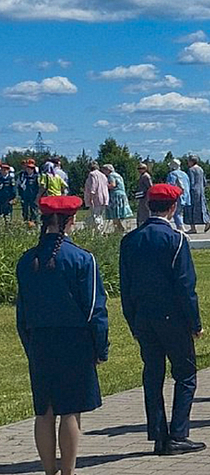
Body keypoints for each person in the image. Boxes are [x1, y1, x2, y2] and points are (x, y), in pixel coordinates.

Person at [16, 195, 108, 475]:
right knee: (70, 410)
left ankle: (48, 470)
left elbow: (22, 312)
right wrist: (100, 347)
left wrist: (29, 344)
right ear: (70, 221)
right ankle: (68, 471)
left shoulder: (26, 260)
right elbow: (95, 309)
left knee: (43, 411)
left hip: (40, 341)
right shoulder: (82, 258)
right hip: (74, 342)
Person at [119, 183, 205, 456]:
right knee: (185, 374)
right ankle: (178, 433)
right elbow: (185, 285)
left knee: (153, 375)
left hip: (144, 316)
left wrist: (133, 320)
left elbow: (126, 286)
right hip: (173, 317)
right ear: (173, 207)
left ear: (147, 205)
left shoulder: (130, 240)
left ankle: (158, 433)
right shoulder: (176, 239)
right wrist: (195, 322)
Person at [102, 165, 133, 235]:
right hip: (122, 195)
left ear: (108, 170)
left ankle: (120, 229)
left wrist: (104, 185)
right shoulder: (118, 175)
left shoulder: (111, 176)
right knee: (118, 214)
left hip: (116, 195)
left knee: (115, 214)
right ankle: (119, 229)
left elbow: (113, 185)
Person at [186, 156, 210, 234]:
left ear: (191, 161)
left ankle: (193, 228)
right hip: (201, 191)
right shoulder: (201, 169)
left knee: (190, 209)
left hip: (193, 191)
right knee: (202, 207)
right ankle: (207, 220)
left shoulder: (191, 170)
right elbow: (204, 181)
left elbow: (191, 181)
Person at [83, 161, 109, 232]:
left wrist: (91, 198)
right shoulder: (103, 175)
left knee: (95, 216)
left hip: (96, 198)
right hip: (104, 198)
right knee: (100, 216)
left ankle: (97, 233)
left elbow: (93, 187)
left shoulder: (92, 174)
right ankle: (99, 232)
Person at [166, 161, 191, 232]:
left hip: (177, 195)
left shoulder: (172, 174)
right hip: (186, 196)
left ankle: (180, 227)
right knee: (180, 212)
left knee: (176, 212)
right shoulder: (184, 174)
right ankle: (181, 226)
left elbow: (170, 185)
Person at [18, 159, 41, 227]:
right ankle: (26, 223)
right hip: (25, 196)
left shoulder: (36, 177)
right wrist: (20, 195)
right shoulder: (23, 176)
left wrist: (38, 197)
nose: (29, 169)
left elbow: (39, 187)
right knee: (25, 211)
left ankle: (35, 224)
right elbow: (19, 186)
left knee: (34, 211)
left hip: (34, 197)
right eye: (28, 168)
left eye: (31, 168)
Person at [134, 162, 153, 227]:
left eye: (141, 168)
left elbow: (150, 186)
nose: (139, 170)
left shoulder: (146, 176)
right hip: (142, 196)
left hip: (146, 196)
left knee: (145, 211)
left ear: (145, 169)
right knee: (141, 211)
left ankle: (146, 224)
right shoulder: (142, 176)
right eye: (138, 168)